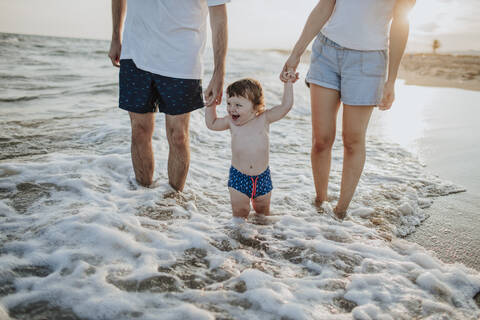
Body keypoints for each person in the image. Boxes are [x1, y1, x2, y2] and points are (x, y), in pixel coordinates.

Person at [280, 0, 416, 219]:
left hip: (369, 60)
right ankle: (319, 203)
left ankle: (340, 212)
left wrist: (391, 80)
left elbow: (401, 22)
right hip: (326, 52)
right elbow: (324, 6)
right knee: (321, 139)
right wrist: (297, 53)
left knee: (353, 140)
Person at [108, 0, 229, 191]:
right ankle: (142, 199)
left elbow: (219, 16)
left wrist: (219, 70)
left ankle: (172, 204)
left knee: (178, 135)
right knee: (139, 131)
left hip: (182, 58)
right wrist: (116, 36)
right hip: (135, 52)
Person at [205, 75, 297, 218]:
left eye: (238, 105)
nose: (232, 109)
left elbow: (286, 106)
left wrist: (289, 83)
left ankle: (263, 237)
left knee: (263, 213)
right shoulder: (230, 122)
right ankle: (238, 237)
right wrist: (211, 104)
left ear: (256, 107)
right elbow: (211, 124)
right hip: (239, 178)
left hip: (262, 178)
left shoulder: (264, 118)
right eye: (229, 103)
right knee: (240, 213)